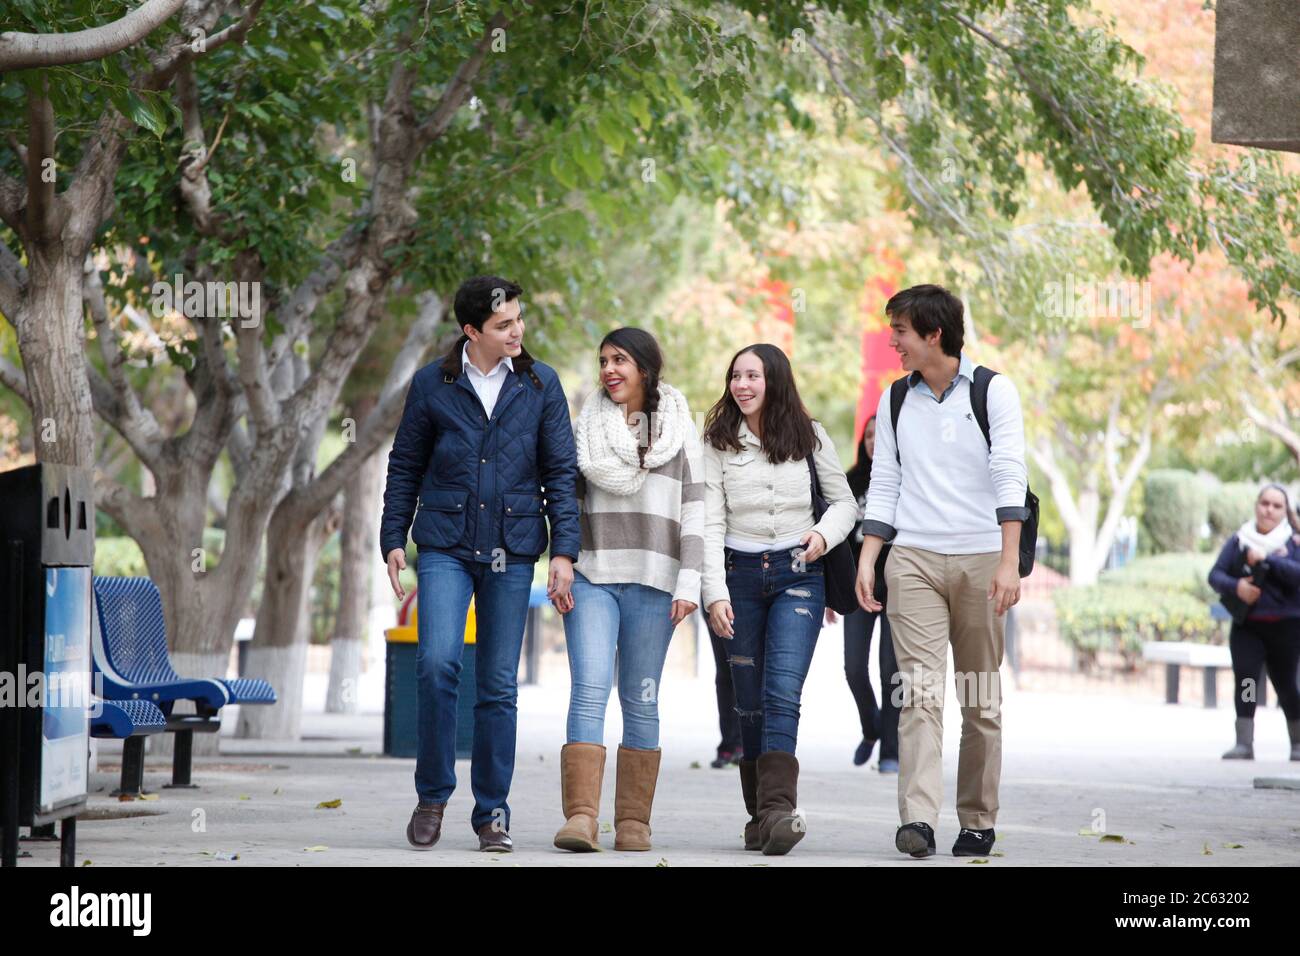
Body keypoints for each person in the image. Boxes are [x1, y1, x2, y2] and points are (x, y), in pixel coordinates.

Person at [380, 275, 580, 853]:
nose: (517, 331)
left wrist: (563, 550)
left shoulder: (541, 384)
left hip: (512, 550)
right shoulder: (433, 384)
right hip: (444, 544)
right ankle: (433, 795)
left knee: (497, 685)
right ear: (472, 331)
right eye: (503, 325)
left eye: (519, 319)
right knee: (438, 664)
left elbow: (560, 475)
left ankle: (492, 811)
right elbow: (405, 465)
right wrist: (394, 536)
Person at [856, 284, 1028, 860]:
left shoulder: (992, 392)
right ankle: (919, 821)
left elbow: (1009, 472)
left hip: (983, 558)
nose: (893, 341)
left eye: (900, 331)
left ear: (934, 334)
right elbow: (885, 481)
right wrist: (869, 554)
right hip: (915, 561)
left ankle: (977, 820)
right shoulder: (896, 399)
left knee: (979, 698)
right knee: (918, 695)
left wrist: (1009, 560)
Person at [701, 343, 857, 855]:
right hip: (739, 577)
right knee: (747, 701)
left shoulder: (809, 436)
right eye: (735, 376)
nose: (742, 385)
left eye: (753, 376)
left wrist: (822, 536)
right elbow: (711, 521)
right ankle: (760, 818)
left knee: (781, 692)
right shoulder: (719, 441)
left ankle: (777, 813)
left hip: (798, 576)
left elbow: (843, 503)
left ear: (775, 381)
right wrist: (714, 593)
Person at [551, 328, 703, 852]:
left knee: (641, 697)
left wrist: (690, 581)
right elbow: (565, 501)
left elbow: (697, 511)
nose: (609, 370)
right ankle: (582, 818)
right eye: (603, 361)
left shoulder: (682, 429)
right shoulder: (584, 427)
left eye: (620, 360)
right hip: (593, 575)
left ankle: (634, 821)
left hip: (656, 581)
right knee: (589, 689)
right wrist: (562, 559)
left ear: (645, 367)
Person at [1207, 483, 1300, 761]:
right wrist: (1237, 587)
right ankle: (1244, 742)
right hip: (1249, 627)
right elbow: (1215, 575)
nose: (1269, 510)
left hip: (1286, 627)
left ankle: (1297, 743)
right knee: (1246, 680)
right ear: (1256, 505)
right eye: (1264, 503)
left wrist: (1268, 560)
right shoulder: (1240, 540)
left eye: (1276, 506)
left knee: (1287, 686)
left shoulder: (1293, 542)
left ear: (1286, 512)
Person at [831, 415, 900, 773]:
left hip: (897, 589)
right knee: (854, 668)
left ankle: (891, 749)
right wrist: (832, 590)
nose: (874, 440)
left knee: (892, 670)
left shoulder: (906, 481)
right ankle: (871, 727)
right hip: (857, 588)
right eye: (869, 435)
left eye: (880, 435)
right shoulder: (849, 481)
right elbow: (838, 539)